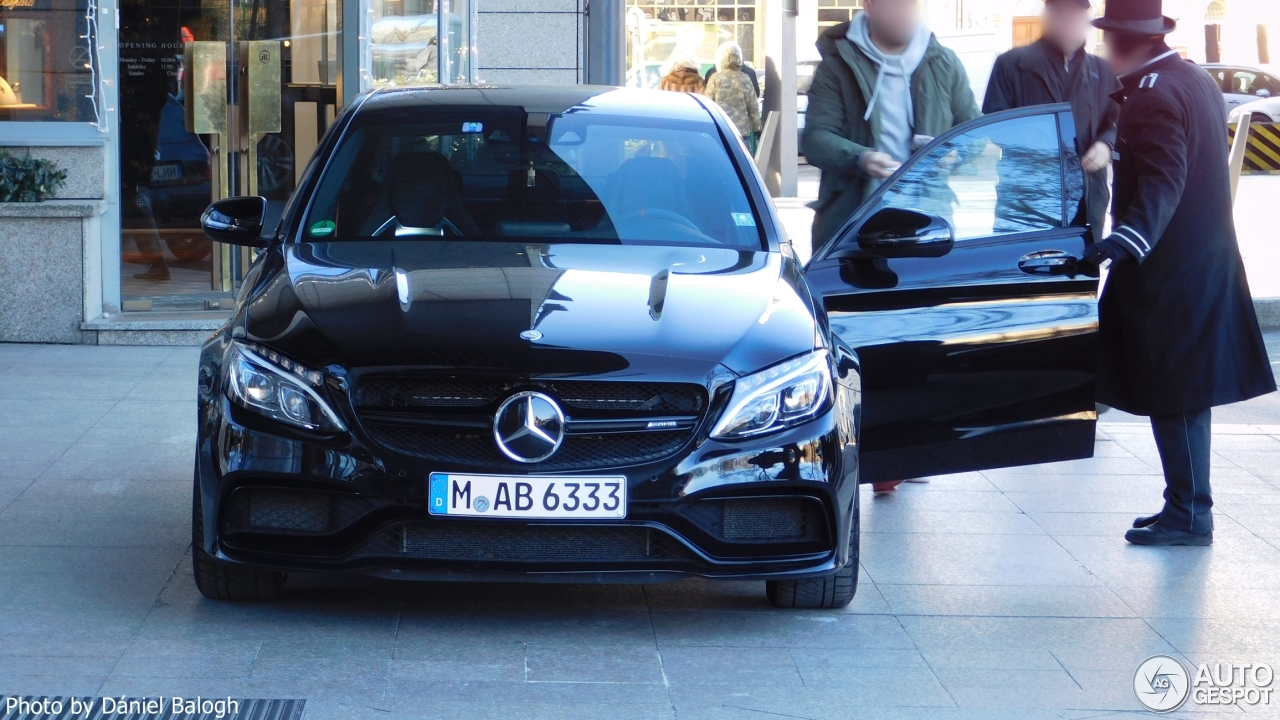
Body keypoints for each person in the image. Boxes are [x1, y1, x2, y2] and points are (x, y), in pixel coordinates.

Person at [1083, 0, 1276, 546]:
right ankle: (1184, 504)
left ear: (1126, 40)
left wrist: (1127, 239)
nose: (1105, 50)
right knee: (1181, 391)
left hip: (1172, 269)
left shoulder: (1155, 95)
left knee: (1177, 392)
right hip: (1200, 259)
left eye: (1109, 39)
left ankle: (1190, 512)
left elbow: (1166, 178)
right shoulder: (1192, 78)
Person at [803, 0, 980, 255]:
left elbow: (974, 131)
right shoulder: (836, 66)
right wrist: (861, 159)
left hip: (929, 222)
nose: (903, 12)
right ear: (869, 6)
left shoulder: (945, 62)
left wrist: (955, 152)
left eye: (909, 4)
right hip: (853, 223)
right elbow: (816, 140)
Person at [983, 0, 1119, 235]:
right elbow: (995, 126)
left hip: (1086, 211)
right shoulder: (1012, 65)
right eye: (1061, 13)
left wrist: (1106, 144)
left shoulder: (1102, 71)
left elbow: (1118, 120)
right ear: (1048, 16)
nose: (1068, 23)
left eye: (1075, 15)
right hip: (1025, 209)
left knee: (1081, 271)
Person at [704, 42, 762, 151]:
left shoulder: (715, 78)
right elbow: (753, 105)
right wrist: (757, 127)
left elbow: (707, 103)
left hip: (720, 126)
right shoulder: (745, 78)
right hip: (741, 130)